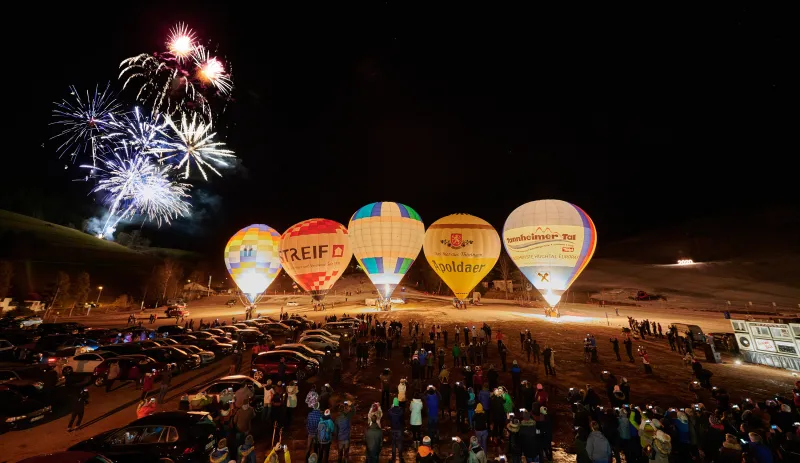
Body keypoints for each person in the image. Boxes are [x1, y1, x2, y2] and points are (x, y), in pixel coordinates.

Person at [389, 398, 405, 462]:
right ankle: (400, 456)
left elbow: (389, 417)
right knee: (399, 443)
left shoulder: (390, 411)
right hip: (399, 429)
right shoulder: (401, 410)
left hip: (393, 428)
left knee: (393, 443)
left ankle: (393, 457)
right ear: (398, 403)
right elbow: (402, 419)